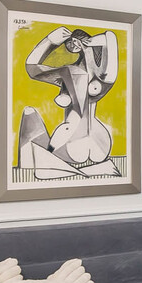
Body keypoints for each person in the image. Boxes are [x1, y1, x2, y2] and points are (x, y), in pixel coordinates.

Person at [17, 26, 120, 179]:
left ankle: (60, 165)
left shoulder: (71, 73)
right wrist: (100, 40)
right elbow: (111, 38)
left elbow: (32, 68)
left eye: (74, 42)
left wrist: (50, 41)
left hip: (70, 145)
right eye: (70, 43)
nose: (72, 45)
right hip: (100, 147)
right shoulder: (100, 77)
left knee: (29, 115)